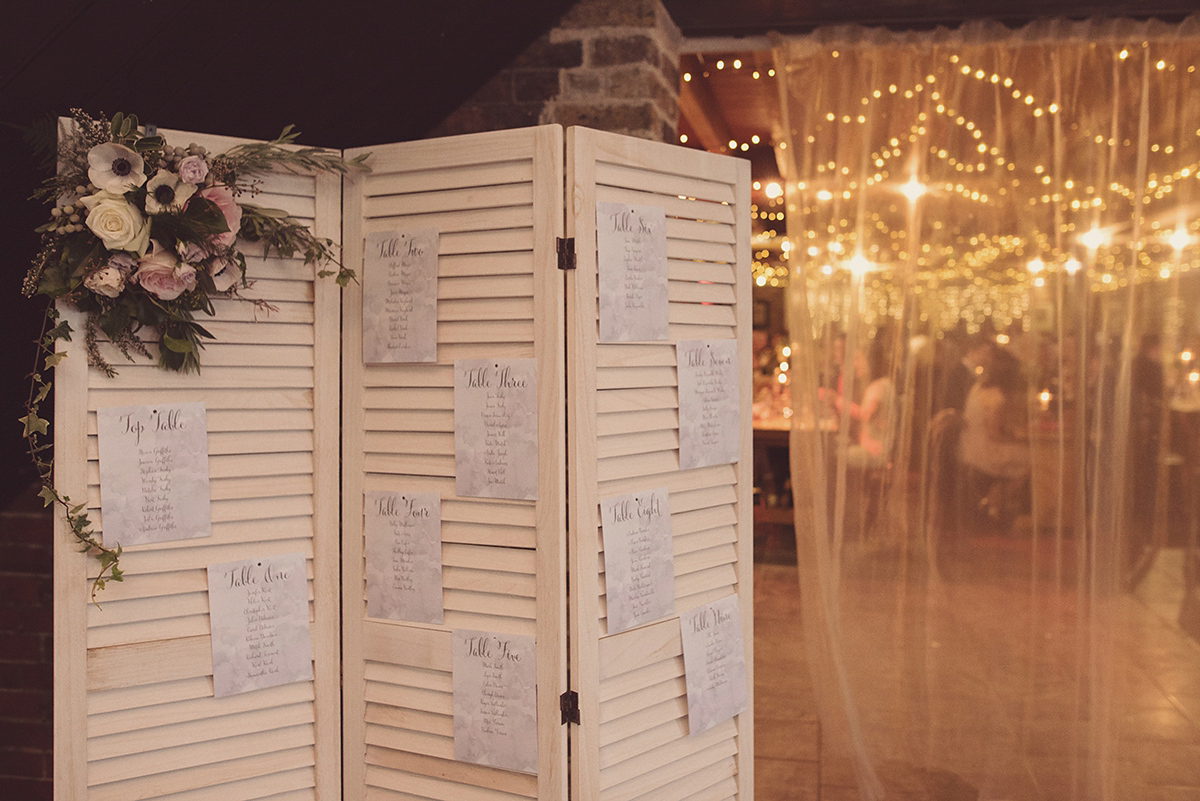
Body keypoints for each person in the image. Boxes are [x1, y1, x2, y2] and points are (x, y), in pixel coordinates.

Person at [958, 348, 1030, 528]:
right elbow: (993, 433)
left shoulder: (977, 388)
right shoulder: (997, 397)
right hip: (984, 450)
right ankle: (992, 501)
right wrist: (1015, 437)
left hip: (968, 445)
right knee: (1030, 461)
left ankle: (991, 503)